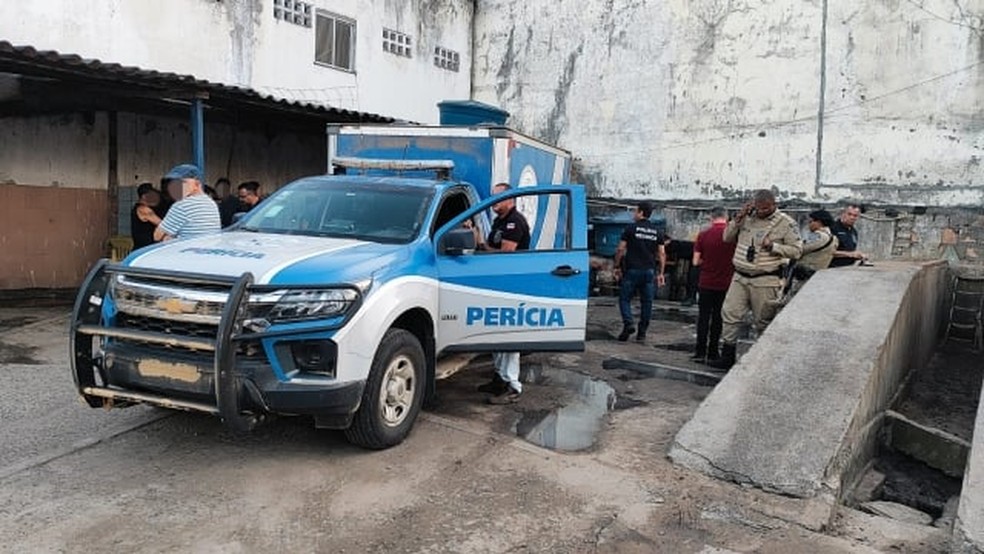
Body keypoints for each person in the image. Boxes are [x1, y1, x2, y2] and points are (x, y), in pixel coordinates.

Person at [708, 190, 802, 371]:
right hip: (740, 276)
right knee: (730, 314)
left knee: (763, 321)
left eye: (766, 208)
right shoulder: (746, 218)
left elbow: (797, 251)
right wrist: (738, 218)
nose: (761, 212)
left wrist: (773, 246)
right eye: (758, 208)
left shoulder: (786, 223)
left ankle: (764, 361)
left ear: (774, 205)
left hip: (766, 279)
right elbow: (726, 237)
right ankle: (727, 355)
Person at [475, 183, 531, 404]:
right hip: (499, 285)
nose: (494, 202)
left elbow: (505, 254)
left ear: (511, 199)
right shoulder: (499, 221)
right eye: (492, 198)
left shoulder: (514, 222)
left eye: (498, 198)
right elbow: (490, 247)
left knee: (508, 338)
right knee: (496, 335)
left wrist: (481, 246)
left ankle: (512, 386)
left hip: (513, 286)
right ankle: (499, 378)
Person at [613, 201, 666, 342]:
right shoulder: (656, 231)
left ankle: (628, 322)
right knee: (647, 302)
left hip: (632, 270)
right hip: (649, 272)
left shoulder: (630, 229)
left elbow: (620, 249)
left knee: (624, 299)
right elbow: (662, 254)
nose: (633, 214)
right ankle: (642, 333)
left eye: (635, 211)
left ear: (641, 212)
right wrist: (661, 273)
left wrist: (616, 266)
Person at [691, 207, 736, 363]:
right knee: (718, 318)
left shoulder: (703, 235)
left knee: (703, 317)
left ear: (712, 217)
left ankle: (699, 352)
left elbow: (695, 261)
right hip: (726, 283)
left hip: (706, 282)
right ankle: (713, 353)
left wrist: (707, 261)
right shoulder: (733, 237)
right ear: (727, 218)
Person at [153, 164, 222, 242]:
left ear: (197, 184)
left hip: (186, 252)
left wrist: (168, 237)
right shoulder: (211, 203)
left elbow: (157, 236)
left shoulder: (182, 205)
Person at [130, 183, 165, 250]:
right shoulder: (144, 210)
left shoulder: (141, 208)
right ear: (144, 196)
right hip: (144, 248)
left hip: (145, 247)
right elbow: (164, 224)